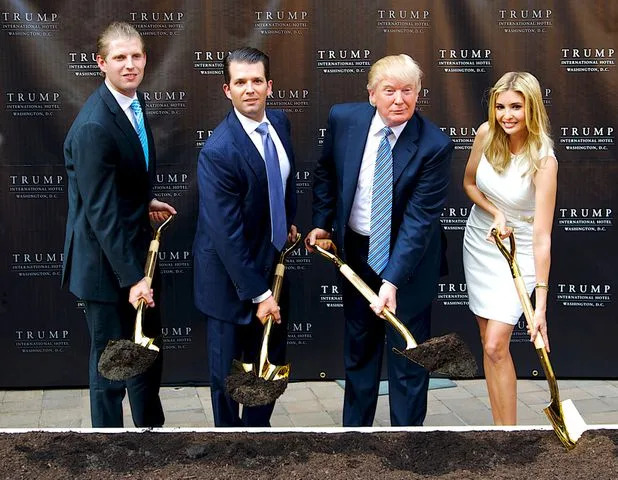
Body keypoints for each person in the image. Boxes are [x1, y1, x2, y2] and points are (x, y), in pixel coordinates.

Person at [306, 54, 453, 426]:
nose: (399, 100)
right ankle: (356, 436)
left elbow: (419, 223)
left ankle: (406, 443)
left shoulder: (434, 145)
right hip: (355, 254)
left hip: (410, 264)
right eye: (389, 91)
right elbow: (325, 173)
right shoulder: (344, 119)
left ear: (419, 94)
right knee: (359, 350)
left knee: (407, 356)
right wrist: (322, 223)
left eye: (408, 91)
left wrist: (392, 280)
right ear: (372, 95)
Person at [61, 22, 176, 428]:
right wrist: (133, 280)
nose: (130, 65)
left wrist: (145, 200)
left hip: (133, 254)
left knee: (145, 351)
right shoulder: (95, 125)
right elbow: (100, 213)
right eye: (119, 58)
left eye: (136, 56)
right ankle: (107, 447)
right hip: (106, 267)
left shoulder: (132, 101)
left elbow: (121, 180)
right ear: (101, 63)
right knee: (111, 364)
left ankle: (149, 434)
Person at [193, 47, 297, 427]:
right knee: (227, 375)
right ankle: (228, 441)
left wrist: (286, 219)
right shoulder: (219, 151)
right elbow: (227, 234)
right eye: (240, 82)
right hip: (228, 279)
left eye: (257, 81)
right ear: (227, 90)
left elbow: (284, 181)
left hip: (269, 265)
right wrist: (261, 294)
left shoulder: (281, 123)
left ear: (269, 85)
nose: (249, 89)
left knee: (266, 359)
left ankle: (258, 431)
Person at [462, 71, 557, 425]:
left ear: (532, 107)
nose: (507, 115)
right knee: (490, 342)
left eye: (516, 107)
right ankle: (502, 431)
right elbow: (470, 184)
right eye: (500, 106)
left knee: (494, 343)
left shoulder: (543, 160)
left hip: (521, 252)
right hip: (481, 242)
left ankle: (508, 431)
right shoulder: (486, 134)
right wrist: (496, 212)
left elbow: (543, 236)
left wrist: (540, 306)